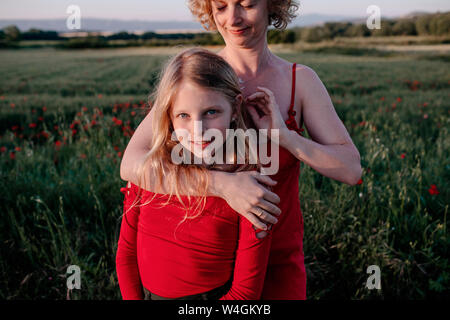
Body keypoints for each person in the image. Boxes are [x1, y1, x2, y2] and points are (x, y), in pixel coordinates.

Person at [120, 0, 362, 300]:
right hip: (204, 267)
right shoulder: (197, 76)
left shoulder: (301, 81)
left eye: (246, 4)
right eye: (220, 7)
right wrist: (223, 186)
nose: (232, 18)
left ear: (272, 5)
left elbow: (351, 170)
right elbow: (130, 165)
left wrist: (285, 137)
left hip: (275, 260)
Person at [116, 47, 279, 300]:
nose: (198, 130)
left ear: (235, 109)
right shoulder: (151, 171)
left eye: (211, 112)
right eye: (183, 115)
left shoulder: (249, 186)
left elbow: (245, 294)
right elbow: (126, 254)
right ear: (169, 116)